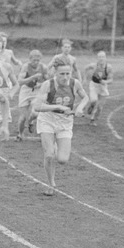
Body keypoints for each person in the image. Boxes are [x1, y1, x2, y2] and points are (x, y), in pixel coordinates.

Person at [33, 56, 88, 196]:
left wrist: (80, 107)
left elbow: (85, 97)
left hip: (65, 123)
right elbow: (37, 106)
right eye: (61, 74)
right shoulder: (48, 85)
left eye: (67, 73)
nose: (65, 77)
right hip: (48, 120)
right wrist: (57, 106)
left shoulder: (75, 84)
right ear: (55, 73)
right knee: (49, 155)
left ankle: (55, 146)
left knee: (63, 160)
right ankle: (51, 183)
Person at [15, 50, 47, 140]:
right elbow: (20, 81)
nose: (36, 62)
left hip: (37, 91)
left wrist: (41, 84)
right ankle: (20, 134)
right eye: (34, 60)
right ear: (30, 59)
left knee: (36, 113)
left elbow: (48, 81)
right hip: (25, 90)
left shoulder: (43, 67)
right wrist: (32, 77)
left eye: (38, 60)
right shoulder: (25, 67)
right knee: (22, 118)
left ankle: (31, 121)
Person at [83, 51, 113, 125]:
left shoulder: (108, 67)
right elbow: (85, 68)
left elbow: (111, 80)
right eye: (99, 57)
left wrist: (105, 82)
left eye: (103, 57)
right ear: (97, 58)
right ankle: (91, 107)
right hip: (94, 85)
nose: (101, 58)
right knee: (94, 100)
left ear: (105, 58)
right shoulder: (94, 65)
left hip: (103, 87)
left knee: (100, 107)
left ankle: (93, 119)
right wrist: (84, 79)